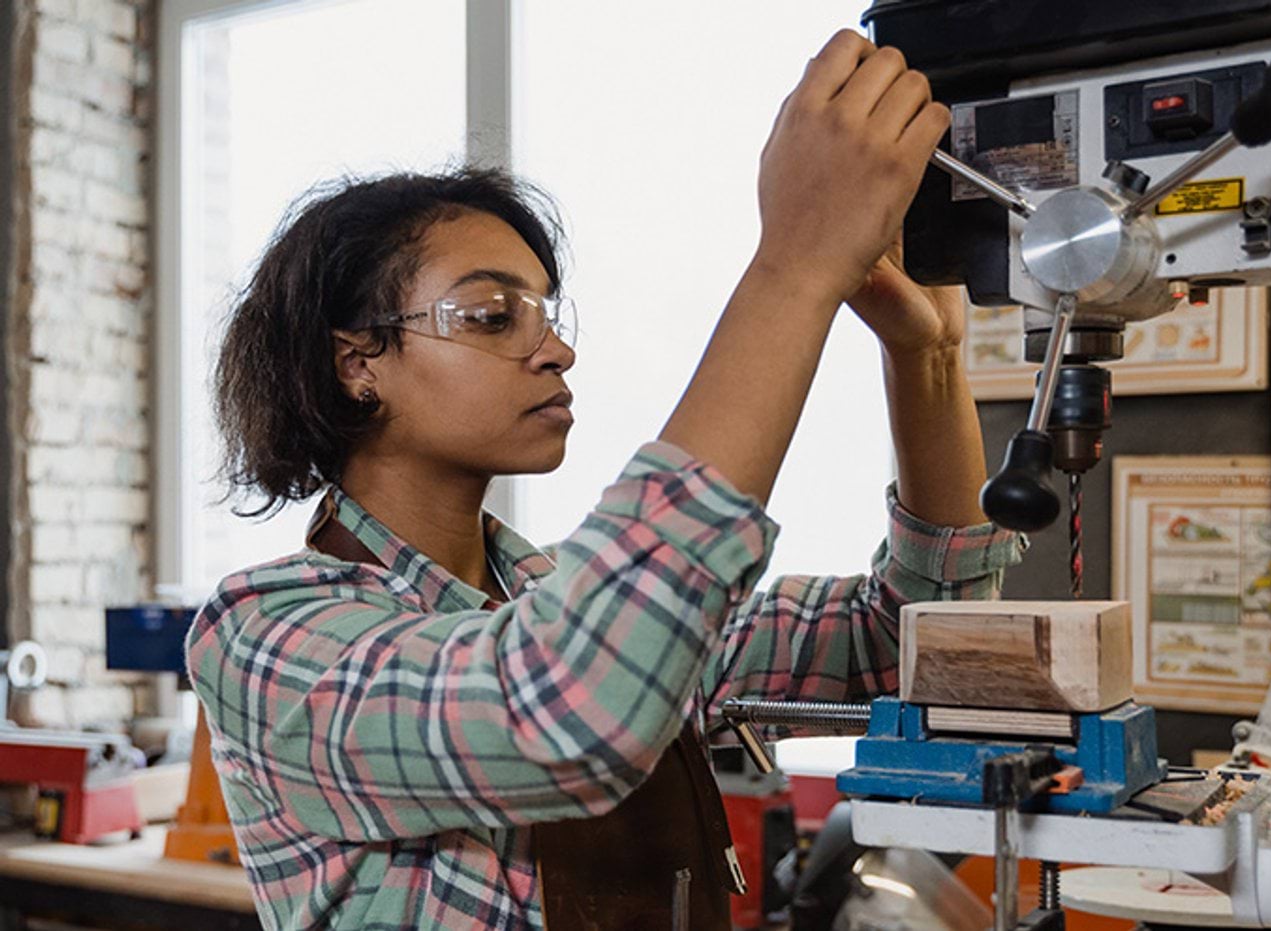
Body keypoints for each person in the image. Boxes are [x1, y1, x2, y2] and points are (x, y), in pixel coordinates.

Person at [187, 30, 1024, 930]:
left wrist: (927, 355)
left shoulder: (555, 596)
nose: (555, 348)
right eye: (491, 314)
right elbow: (569, 706)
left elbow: (904, 645)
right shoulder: (268, 635)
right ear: (359, 361)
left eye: (546, 310)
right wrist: (794, 269)